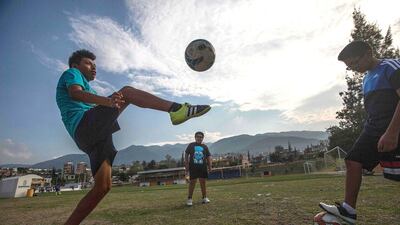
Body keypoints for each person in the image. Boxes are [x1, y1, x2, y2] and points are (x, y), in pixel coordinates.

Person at [56, 49, 211, 225]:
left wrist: (107, 103)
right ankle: (177, 109)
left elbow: (88, 98)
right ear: (76, 65)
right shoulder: (72, 73)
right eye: (88, 63)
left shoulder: (88, 87)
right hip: (84, 126)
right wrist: (107, 101)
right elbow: (74, 93)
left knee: (103, 187)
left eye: (95, 65)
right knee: (127, 93)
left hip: (93, 137)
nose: (93, 67)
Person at [319, 40, 400, 224]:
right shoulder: (366, 78)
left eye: (355, 63)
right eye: (349, 67)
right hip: (373, 130)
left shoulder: (391, 66)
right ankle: (348, 211)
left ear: (368, 53)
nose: (354, 68)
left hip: (394, 128)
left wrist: (392, 132)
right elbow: (375, 108)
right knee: (353, 160)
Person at [184, 131, 212, 206]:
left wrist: (210, 166)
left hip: (203, 167)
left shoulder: (205, 147)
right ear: (195, 137)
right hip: (193, 167)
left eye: (201, 137)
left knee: (203, 182)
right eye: (198, 136)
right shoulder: (191, 145)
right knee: (192, 182)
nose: (199, 138)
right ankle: (189, 199)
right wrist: (186, 164)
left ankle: (204, 197)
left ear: (203, 138)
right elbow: (186, 154)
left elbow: (208, 157)